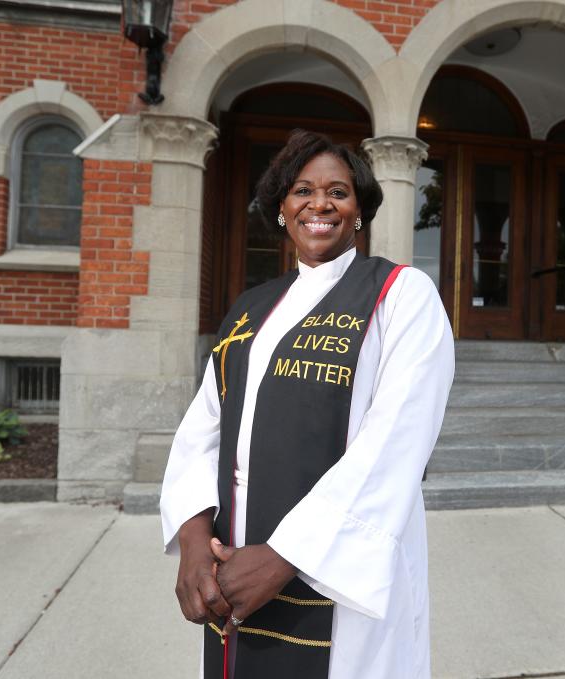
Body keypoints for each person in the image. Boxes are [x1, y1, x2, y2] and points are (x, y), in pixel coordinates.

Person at [160, 129, 454, 679]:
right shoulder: (251, 308)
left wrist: (283, 557)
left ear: (360, 210)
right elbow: (204, 427)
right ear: (281, 209)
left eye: (338, 192)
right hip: (235, 556)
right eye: (302, 190)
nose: (320, 204)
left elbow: (397, 441)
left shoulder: (400, 295)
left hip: (339, 570)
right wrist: (196, 542)